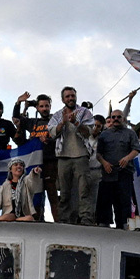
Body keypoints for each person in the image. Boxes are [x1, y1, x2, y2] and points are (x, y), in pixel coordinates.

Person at [47, 86, 95, 224]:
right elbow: (51, 132)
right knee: (64, 191)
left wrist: (76, 122)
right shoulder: (57, 115)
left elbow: (89, 132)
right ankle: (64, 219)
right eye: (67, 96)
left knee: (84, 190)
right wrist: (63, 122)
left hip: (81, 155)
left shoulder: (85, 112)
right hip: (63, 156)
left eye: (72, 96)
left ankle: (86, 218)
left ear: (76, 97)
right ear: (63, 99)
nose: (70, 98)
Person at [14, 92, 59, 220]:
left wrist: (49, 140)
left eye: (46, 106)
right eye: (41, 106)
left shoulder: (55, 120)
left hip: (50, 161)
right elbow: (17, 118)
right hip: (34, 163)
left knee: (52, 193)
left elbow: (60, 134)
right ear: (37, 108)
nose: (44, 108)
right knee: (35, 194)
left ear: (50, 106)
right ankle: (38, 221)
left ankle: (58, 221)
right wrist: (19, 103)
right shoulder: (32, 122)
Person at [95, 109, 140, 229]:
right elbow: (99, 154)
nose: (116, 119)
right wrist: (104, 163)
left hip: (124, 173)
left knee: (123, 201)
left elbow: (136, 149)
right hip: (108, 173)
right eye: (113, 117)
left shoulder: (130, 134)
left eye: (118, 117)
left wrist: (127, 158)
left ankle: (123, 225)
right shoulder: (104, 134)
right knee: (105, 201)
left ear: (123, 119)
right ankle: (104, 225)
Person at [80, 114, 105, 226]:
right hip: (83, 170)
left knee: (93, 198)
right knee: (81, 196)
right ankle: (80, 219)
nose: (95, 128)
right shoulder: (82, 137)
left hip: (96, 171)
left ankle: (90, 221)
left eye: (98, 126)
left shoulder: (103, 141)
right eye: (94, 125)